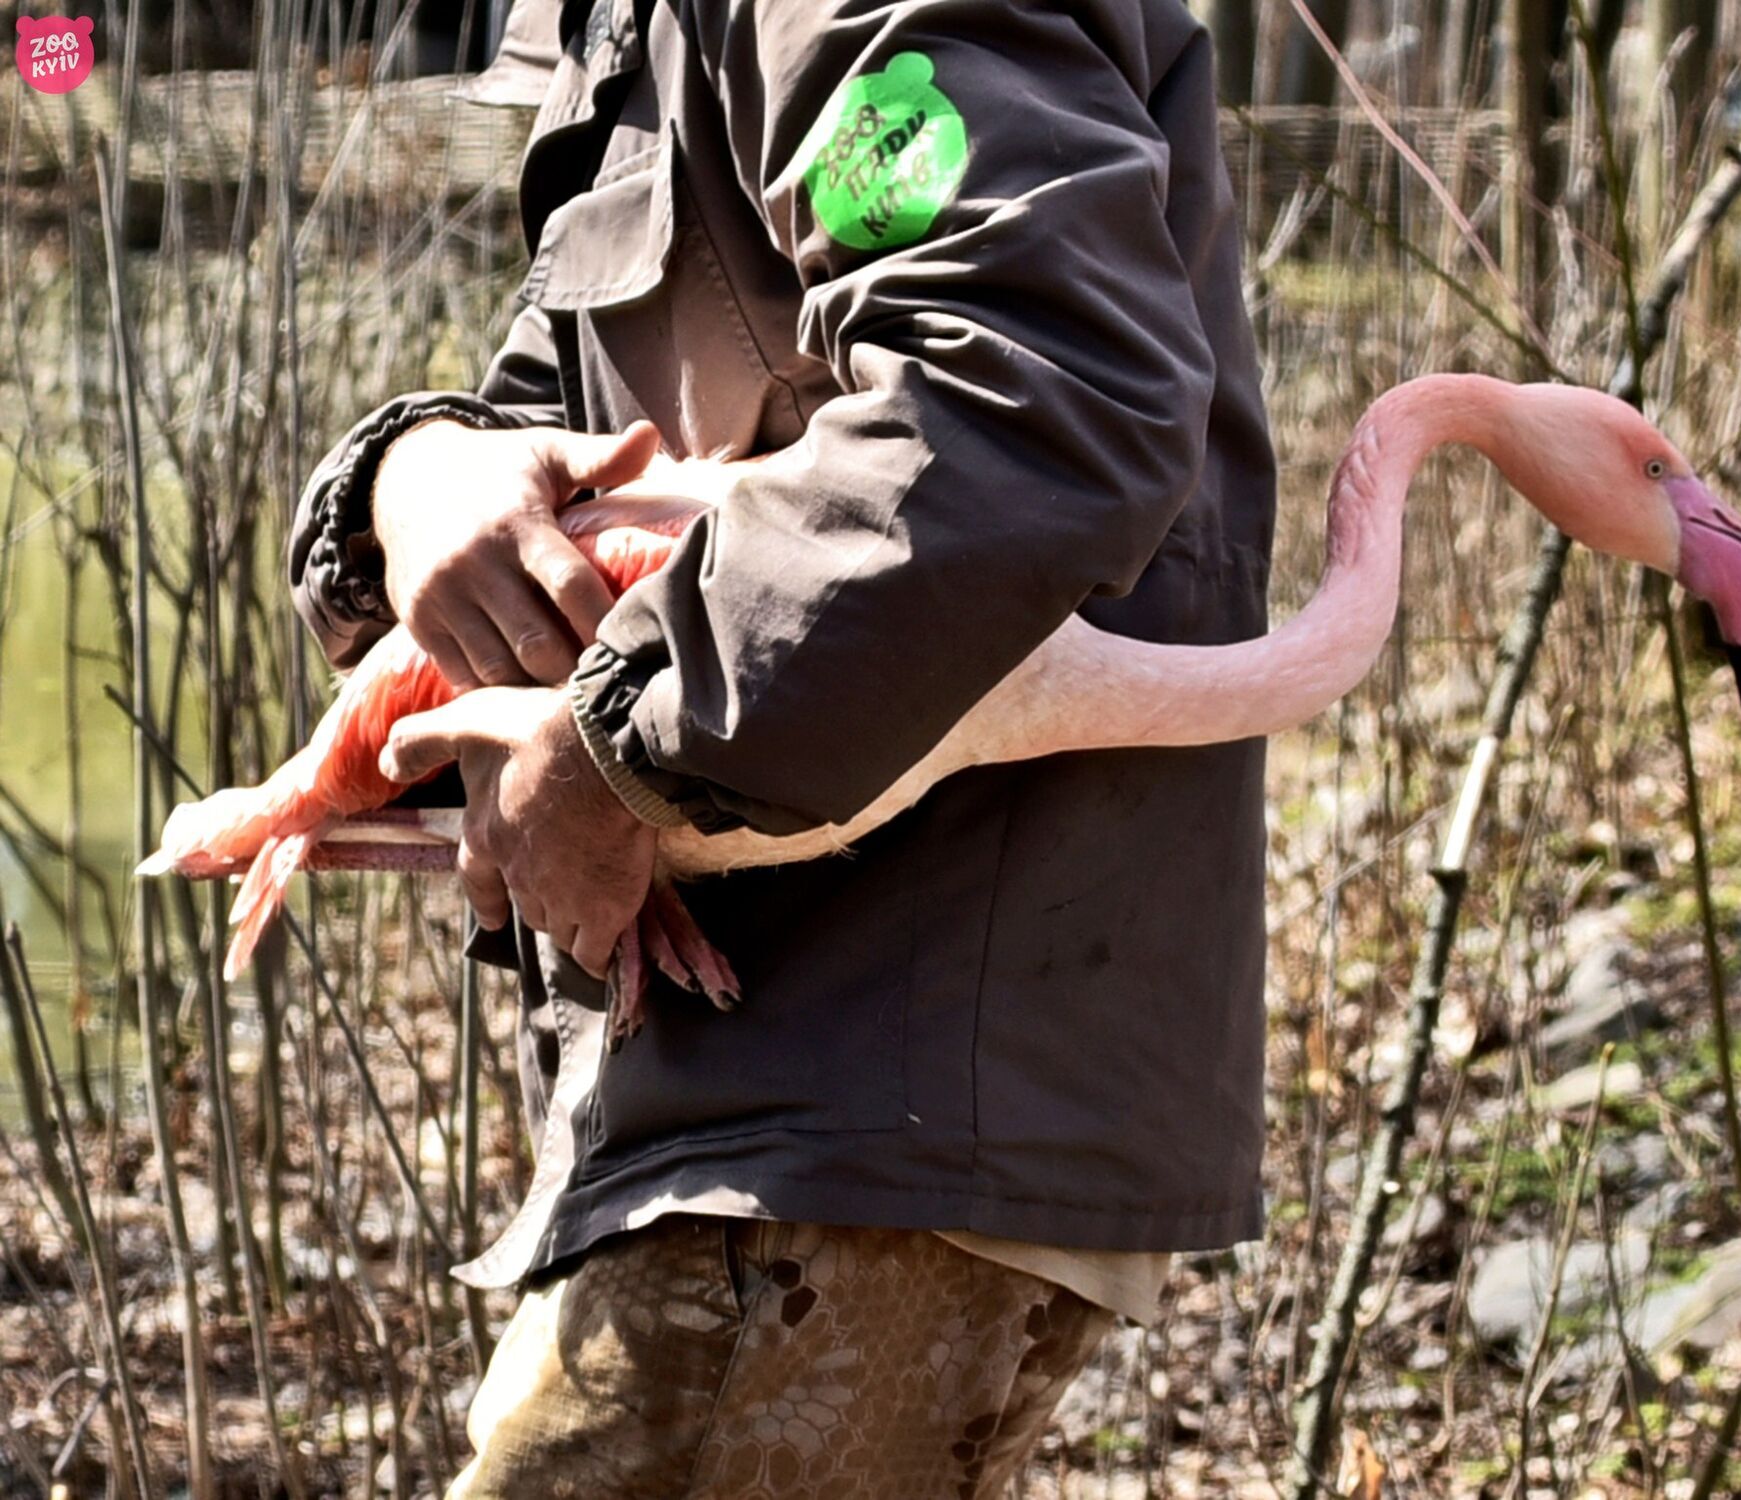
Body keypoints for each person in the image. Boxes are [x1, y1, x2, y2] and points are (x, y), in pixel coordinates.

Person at [288, 0, 1277, 1491]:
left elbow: (1041, 386)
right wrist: (414, 481)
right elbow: (580, 432)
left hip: (876, 1071)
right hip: (768, 1097)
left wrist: (623, 747)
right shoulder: (640, 25)